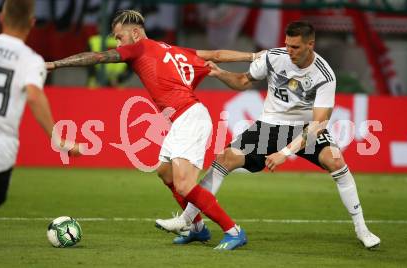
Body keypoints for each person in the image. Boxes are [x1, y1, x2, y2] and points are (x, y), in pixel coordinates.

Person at [46, 9, 261, 250]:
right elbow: (217, 55)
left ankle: (233, 231)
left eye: (119, 37)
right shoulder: (173, 50)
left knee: (183, 184)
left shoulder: (139, 48)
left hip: (189, 116)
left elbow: (97, 57)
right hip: (183, 118)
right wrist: (253, 55)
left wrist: (56, 64)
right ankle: (198, 229)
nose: (118, 43)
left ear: (135, 33)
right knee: (165, 172)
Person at [157, 21, 381, 249]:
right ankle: (187, 220)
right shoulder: (274, 57)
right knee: (225, 158)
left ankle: (362, 229)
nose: (289, 51)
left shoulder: (324, 75)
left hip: (305, 128)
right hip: (268, 126)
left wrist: (284, 153)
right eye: (287, 45)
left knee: (335, 160)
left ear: (310, 44)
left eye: (295, 47)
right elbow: (243, 81)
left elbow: (318, 124)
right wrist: (221, 73)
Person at [0, 0, 81, 209]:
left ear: (1, 18)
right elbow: (34, 96)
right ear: (32, 22)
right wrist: (58, 139)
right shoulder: (31, 60)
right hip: (0, 146)